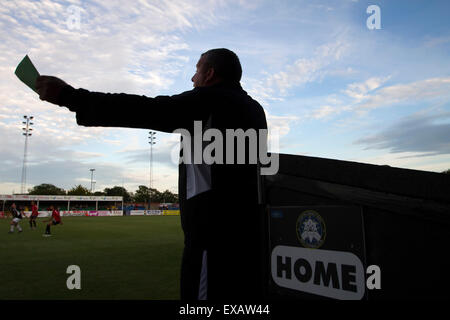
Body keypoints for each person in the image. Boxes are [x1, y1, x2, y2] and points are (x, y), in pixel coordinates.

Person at [36, 48, 268, 300]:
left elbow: (144, 109)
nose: (193, 78)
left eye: (197, 70)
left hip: (212, 241)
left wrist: (70, 96)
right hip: (249, 236)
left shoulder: (210, 101)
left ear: (210, 74)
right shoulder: (255, 109)